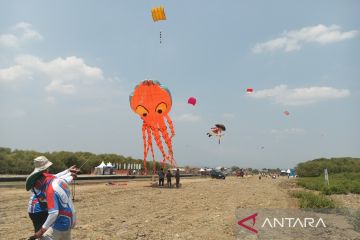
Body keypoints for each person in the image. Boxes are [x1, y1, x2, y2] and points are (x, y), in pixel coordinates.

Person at [26, 157, 78, 240]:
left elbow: (56, 177)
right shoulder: (48, 181)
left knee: (44, 233)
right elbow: (58, 178)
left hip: (44, 209)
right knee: (44, 231)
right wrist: (70, 174)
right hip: (37, 210)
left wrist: (69, 173)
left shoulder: (46, 181)